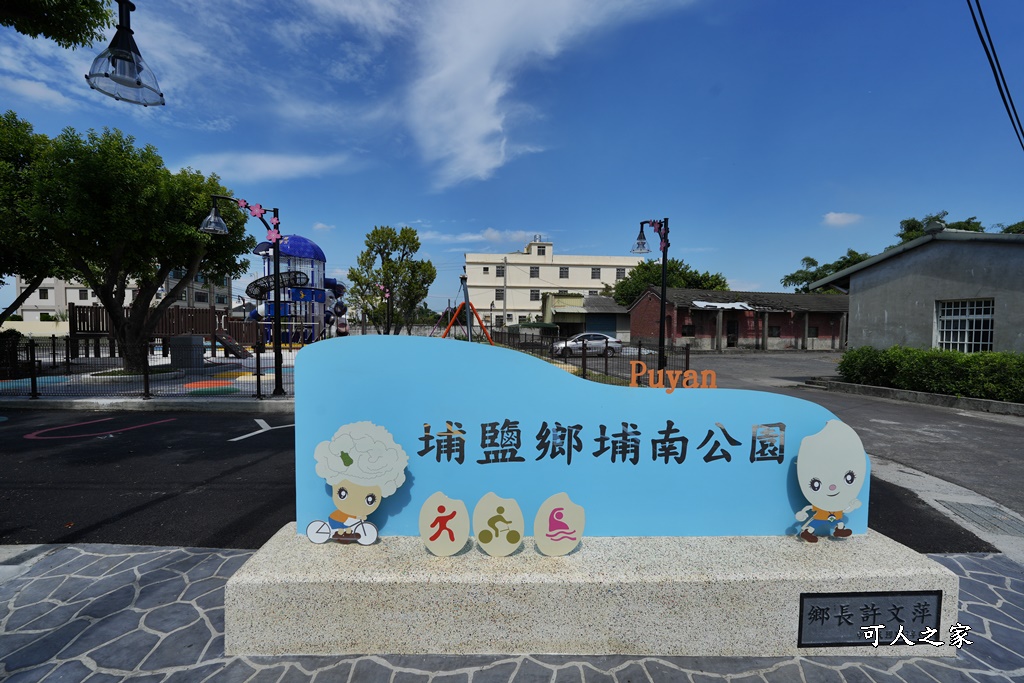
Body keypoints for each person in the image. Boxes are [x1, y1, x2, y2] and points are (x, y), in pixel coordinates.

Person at [314, 421, 409, 544]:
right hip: (337, 519)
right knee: (345, 523)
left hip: (353, 520)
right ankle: (340, 531)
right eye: (342, 493)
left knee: (350, 523)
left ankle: (346, 532)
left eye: (370, 499)